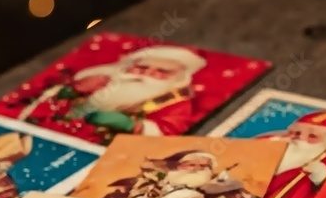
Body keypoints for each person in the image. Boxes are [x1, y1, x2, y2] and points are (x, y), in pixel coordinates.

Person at [18, 45, 209, 137]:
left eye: (161, 71)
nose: (148, 74)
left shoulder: (175, 101)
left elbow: (168, 131)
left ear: (177, 76)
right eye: (141, 67)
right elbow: (39, 104)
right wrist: (73, 90)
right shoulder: (98, 79)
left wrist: (131, 125)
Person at [104, 149, 258, 198]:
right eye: (190, 164)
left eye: (204, 166)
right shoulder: (142, 187)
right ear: (174, 167)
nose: (197, 169)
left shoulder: (227, 192)